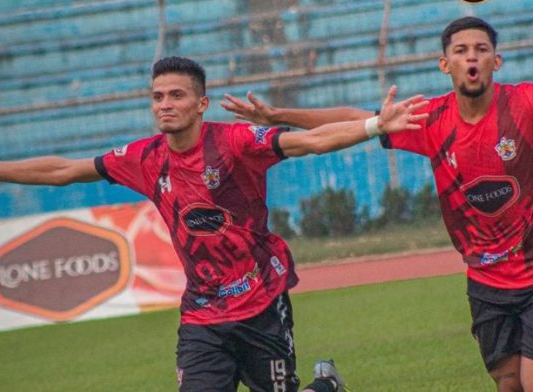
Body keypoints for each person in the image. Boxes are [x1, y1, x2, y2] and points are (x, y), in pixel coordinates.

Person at [0, 56, 425, 392]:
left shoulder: (235, 143)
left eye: (176, 95)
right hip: (202, 315)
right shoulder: (143, 158)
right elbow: (64, 171)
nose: (165, 104)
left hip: (261, 302)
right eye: (158, 96)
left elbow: (307, 142)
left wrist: (374, 125)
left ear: (200, 104)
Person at [221, 16, 533, 392]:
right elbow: (358, 119)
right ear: (444, 63)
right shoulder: (431, 118)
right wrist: (277, 116)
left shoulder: (523, 105)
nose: (472, 58)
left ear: (496, 61)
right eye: (461, 50)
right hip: (486, 280)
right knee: (508, 382)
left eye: (482, 50)